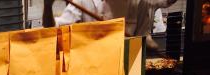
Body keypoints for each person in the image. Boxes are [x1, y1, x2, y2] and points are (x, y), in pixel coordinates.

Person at [42, 0, 176, 39]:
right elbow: (52, 31)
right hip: (90, 72)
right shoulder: (82, 1)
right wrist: (47, 6)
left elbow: (141, 42)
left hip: (127, 72)